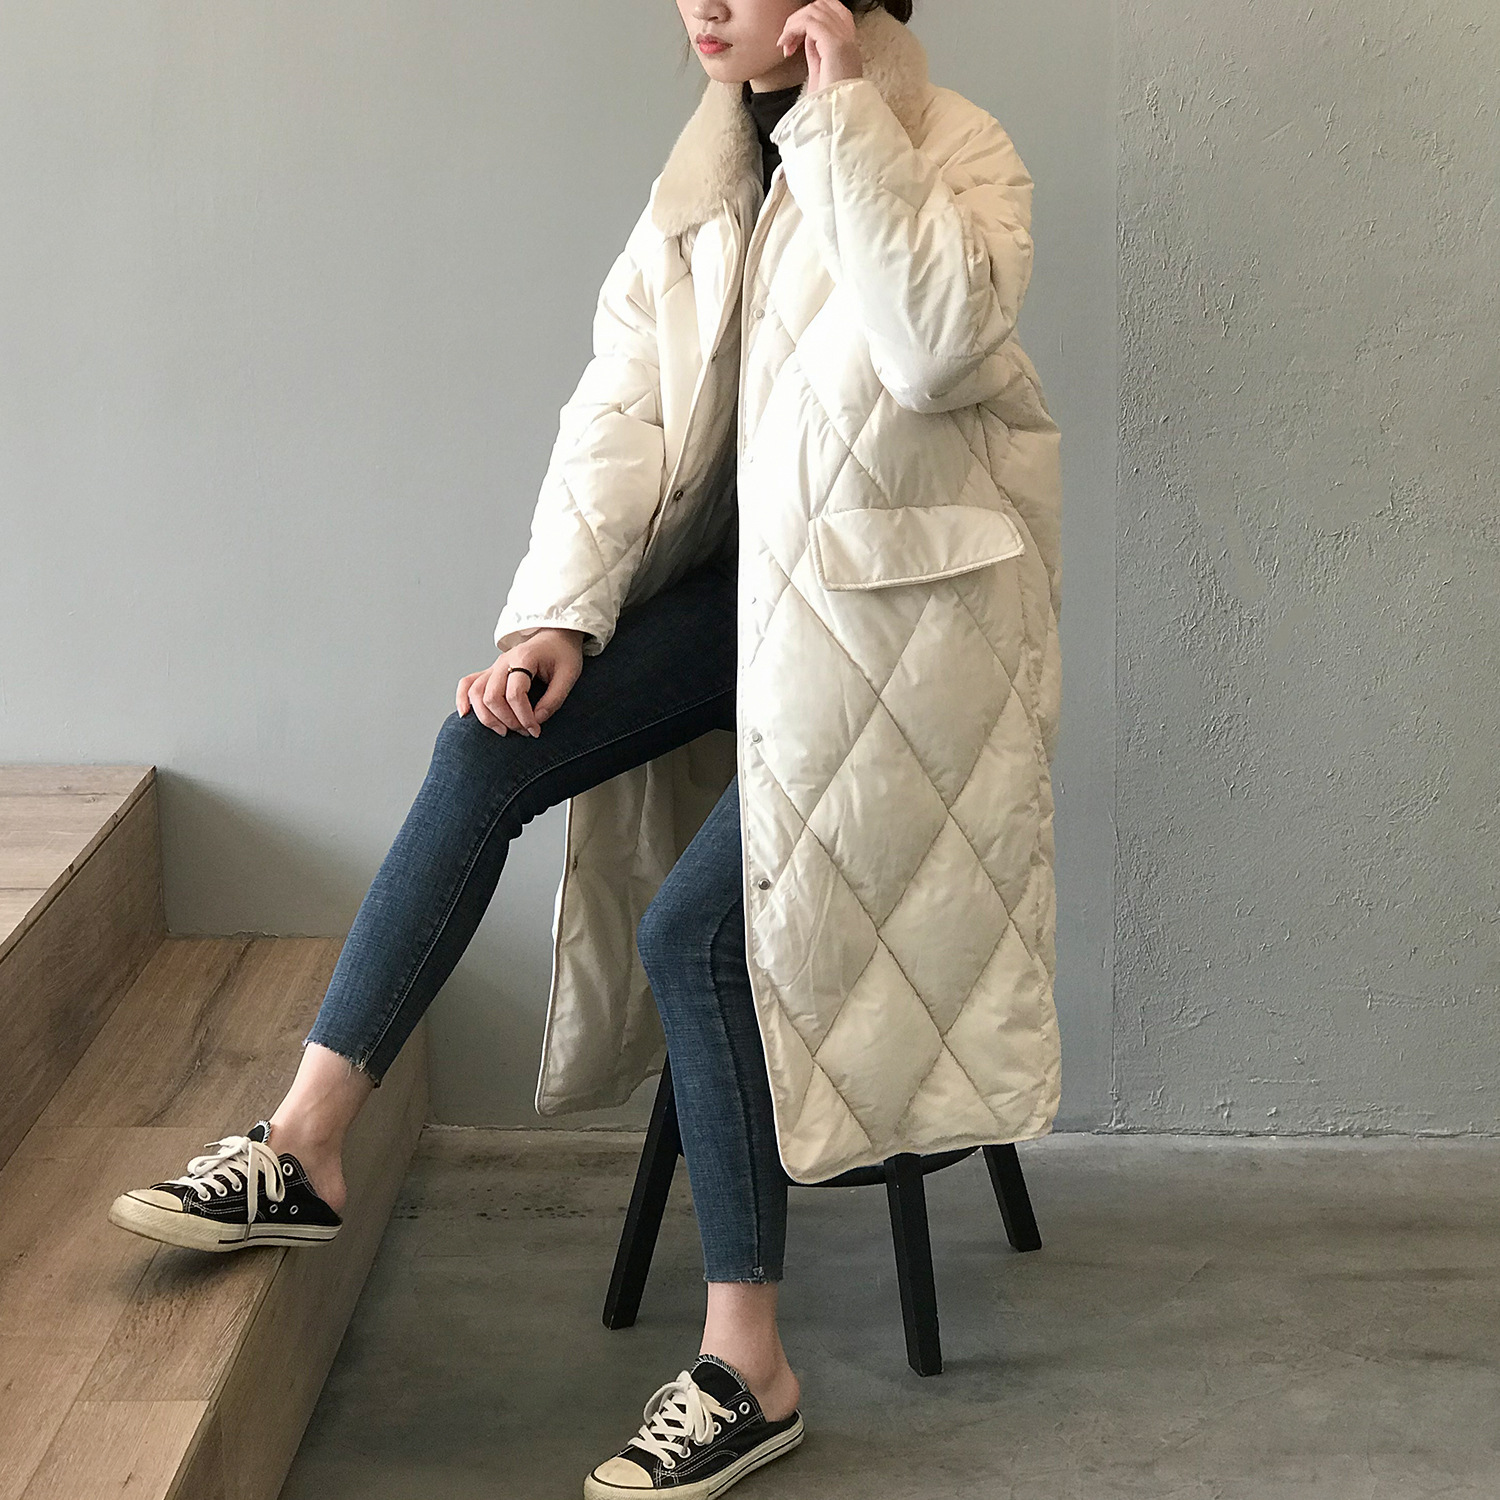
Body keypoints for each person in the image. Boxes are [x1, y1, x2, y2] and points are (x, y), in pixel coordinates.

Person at [108, 2, 1065, 1495]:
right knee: (484, 743)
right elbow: (621, 409)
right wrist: (554, 617)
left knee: (693, 930)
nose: (702, 8)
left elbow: (937, 347)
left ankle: (749, 1364)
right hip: (737, 608)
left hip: (892, 651)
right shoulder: (704, 171)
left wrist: (844, 119)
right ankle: (306, 1143)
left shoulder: (957, 150)